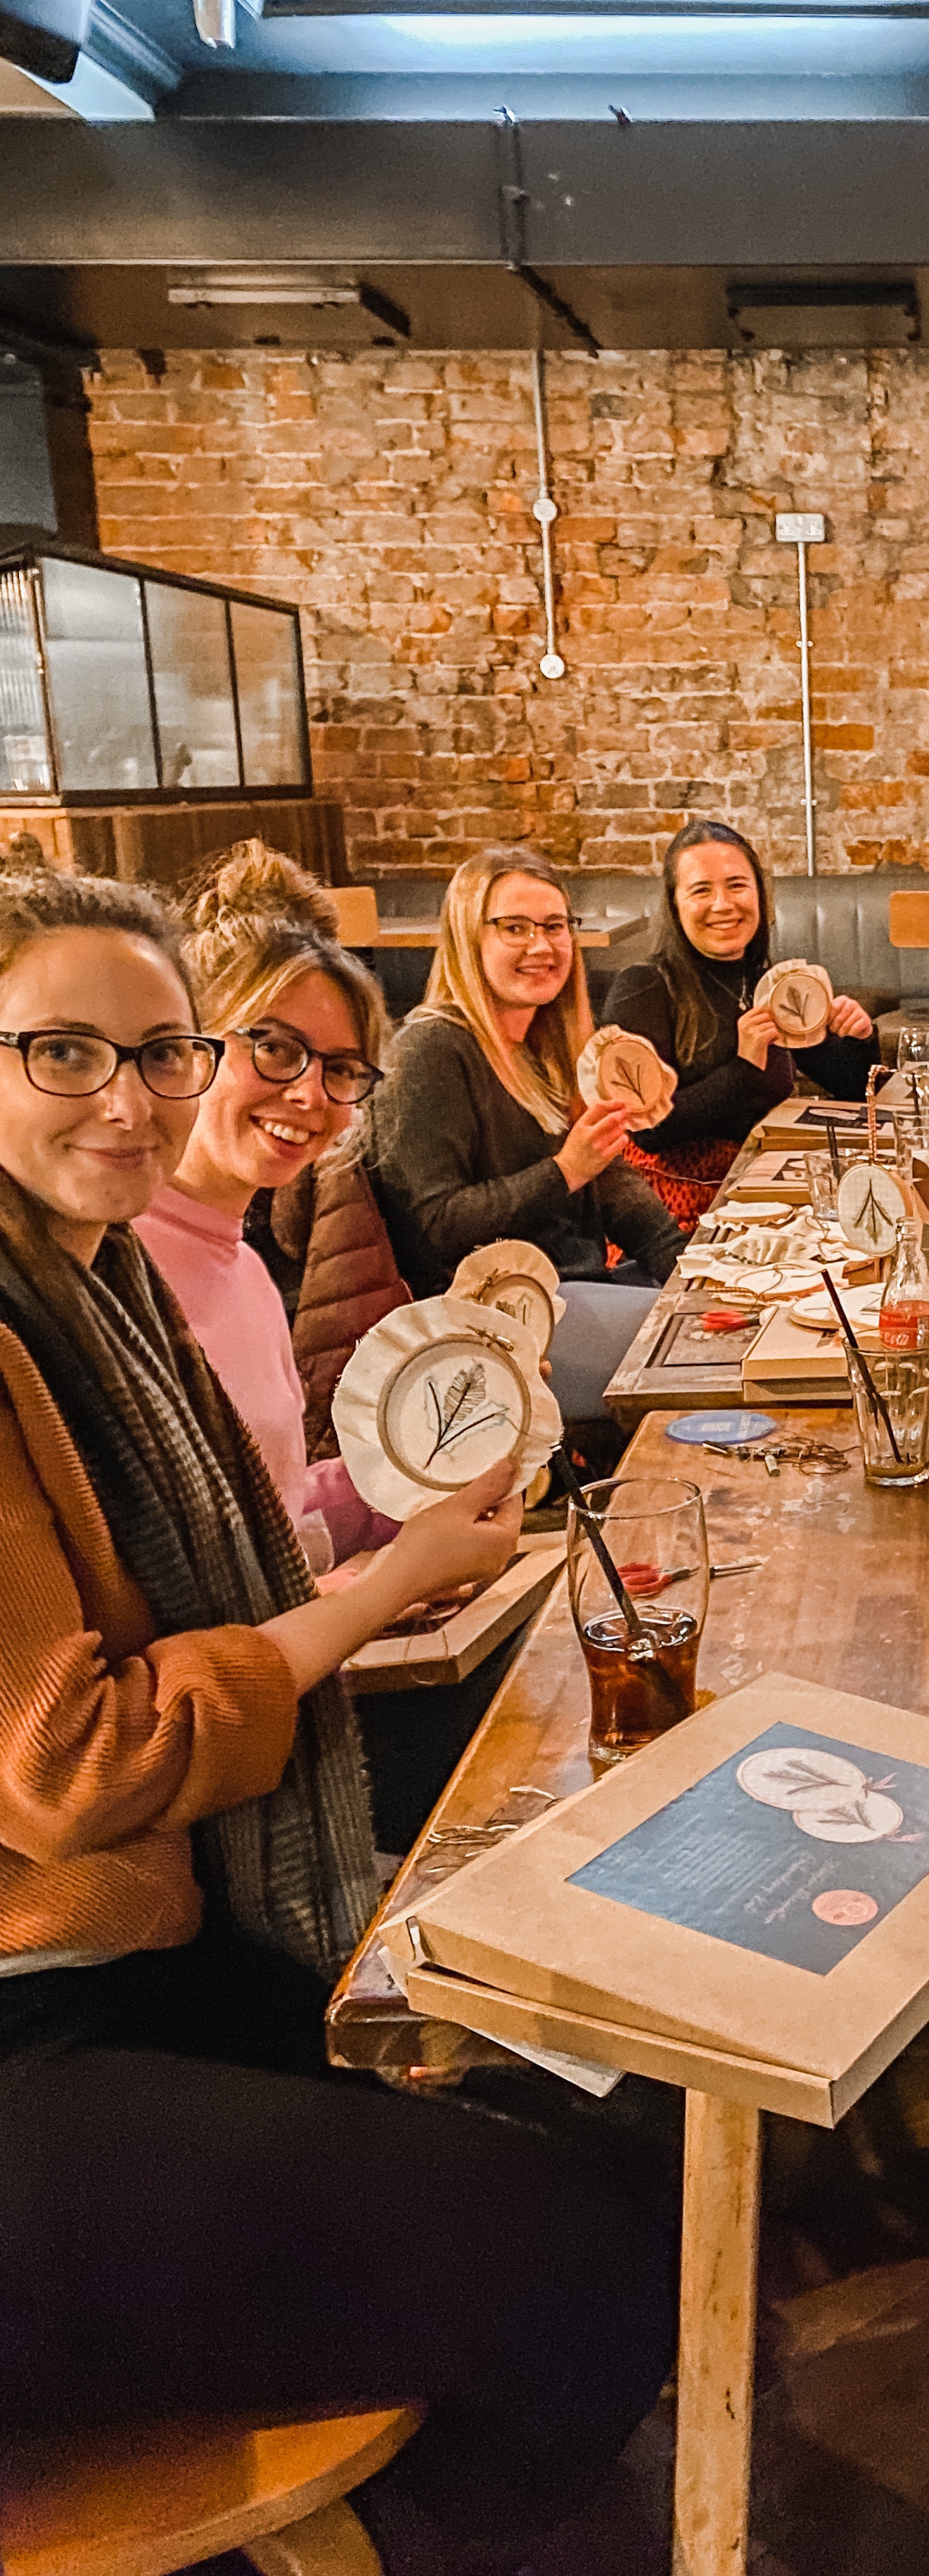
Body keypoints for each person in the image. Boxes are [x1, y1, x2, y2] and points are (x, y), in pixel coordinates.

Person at [0, 868, 672, 2576]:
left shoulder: (120, 1289)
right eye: (64, 1051)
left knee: (615, 2102)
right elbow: (77, 1760)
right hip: (43, 2008)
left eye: (160, 1050)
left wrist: (395, 1527)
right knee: (587, 2265)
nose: (134, 1097)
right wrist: (383, 1586)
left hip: (152, 1938)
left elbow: (258, 1550)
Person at [134, 845, 395, 1575]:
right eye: (276, 1049)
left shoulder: (244, 1268)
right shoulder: (113, 1270)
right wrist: (390, 1583)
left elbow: (277, 1521)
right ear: (186, 1042)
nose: (311, 1095)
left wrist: (417, 1469)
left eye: (340, 1069)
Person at [364, 850, 686, 1429]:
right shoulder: (431, 1050)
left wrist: (687, 1269)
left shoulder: (544, 1045)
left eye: (555, 926)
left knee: (726, 1315)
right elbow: (435, 1226)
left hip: (578, 1288)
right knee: (703, 1351)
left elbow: (610, 1180)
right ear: (469, 935)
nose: (542, 946)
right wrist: (565, 1170)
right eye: (515, 927)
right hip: (495, 1321)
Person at [605, 817, 878, 1228]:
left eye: (737, 885)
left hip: (768, 1195)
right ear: (675, 904)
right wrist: (744, 1066)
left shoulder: (763, 980)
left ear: (760, 894)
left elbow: (850, 1086)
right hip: (677, 1215)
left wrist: (859, 1037)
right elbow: (648, 1130)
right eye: (701, 890)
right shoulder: (643, 988)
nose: (723, 904)